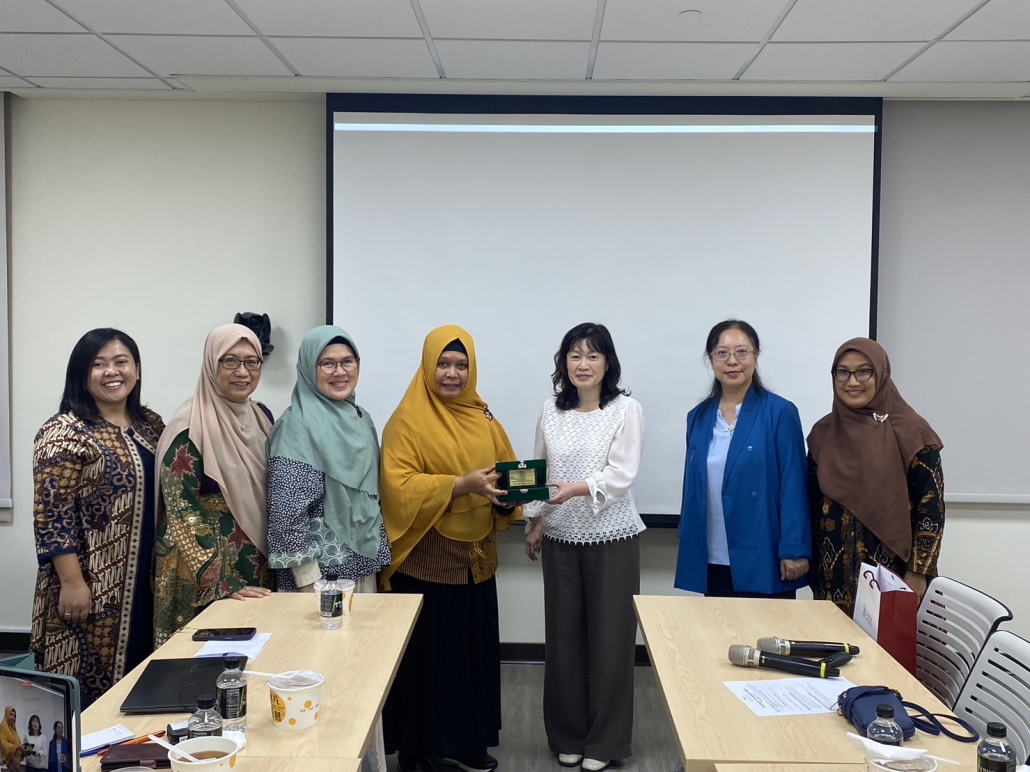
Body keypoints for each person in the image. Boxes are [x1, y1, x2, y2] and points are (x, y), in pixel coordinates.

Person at [380, 325, 522, 772]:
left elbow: (506, 474)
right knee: (427, 659)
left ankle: (467, 743)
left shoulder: (483, 417)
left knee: (470, 656)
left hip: (475, 562)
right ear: (428, 366)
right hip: (425, 562)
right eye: (443, 363)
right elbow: (398, 486)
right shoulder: (407, 420)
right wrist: (461, 485)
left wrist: (508, 497)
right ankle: (418, 750)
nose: (452, 373)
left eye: (461, 365)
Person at [266, 325, 391, 772]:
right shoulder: (296, 427)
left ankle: (365, 763)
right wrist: (309, 586)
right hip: (320, 585)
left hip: (360, 571)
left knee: (362, 679)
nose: (339, 372)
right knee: (322, 683)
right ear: (309, 368)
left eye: (347, 362)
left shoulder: (360, 418)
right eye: (327, 363)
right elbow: (286, 515)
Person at [524, 323, 644, 772]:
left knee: (611, 643)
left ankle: (605, 742)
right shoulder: (549, 410)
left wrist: (576, 489)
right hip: (559, 538)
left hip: (612, 538)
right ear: (564, 363)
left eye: (593, 355)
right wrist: (535, 519)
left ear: (608, 363)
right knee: (563, 641)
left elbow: (621, 474)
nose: (583, 364)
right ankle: (568, 735)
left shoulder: (626, 409)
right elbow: (538, 469)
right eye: (574, 355)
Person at [31, 329, 165, 707]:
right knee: (87, 693)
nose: (112, 372)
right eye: (98, 364)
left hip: (147, 583)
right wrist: (72, 582)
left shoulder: (151, 425)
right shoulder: (64, 431)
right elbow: (52, 514)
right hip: (91, 584)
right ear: (81, 372)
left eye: (121, 362)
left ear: (137, 369)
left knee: (145, 686)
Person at [153, 324, 273, 646]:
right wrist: (218, 578)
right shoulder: (190, 424)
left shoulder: (262, 417)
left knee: (257, 651)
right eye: (229, 361)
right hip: (202, 568)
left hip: (254, 558)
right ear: (211, 363)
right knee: (201, 658)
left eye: (251, 361)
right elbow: (180, 507)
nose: (242, 372)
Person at [674, 319, 811, 598]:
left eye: (742, 352)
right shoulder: (698, 417)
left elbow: (793, 484)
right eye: (722, 353)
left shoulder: (779, 412)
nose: (732, 361)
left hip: (764, 551)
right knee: (717, 626)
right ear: (711, 359)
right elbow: (692, 488)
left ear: (756, 357)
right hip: (711, 554)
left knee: (765, 627)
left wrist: (795, 548)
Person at [808, 337, 944, 615]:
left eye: (863, 372)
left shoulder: (913, 433)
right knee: (834, 642)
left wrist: (918, 572)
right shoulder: (823, 433)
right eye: (842, 372)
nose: (852, 382)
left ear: (881, 374)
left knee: (890, 643)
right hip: (832, 580)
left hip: (894, 577)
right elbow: (811, 505)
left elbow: (930, 510)